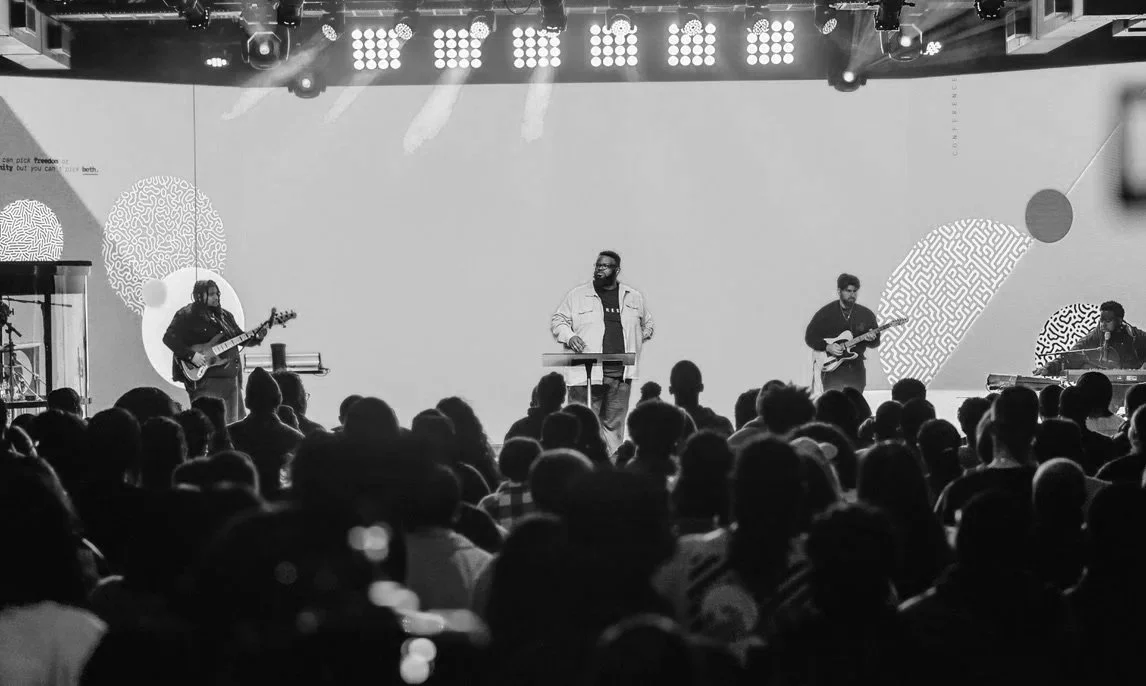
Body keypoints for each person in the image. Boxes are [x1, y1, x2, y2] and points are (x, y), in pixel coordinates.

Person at [550, 251, 654, 453]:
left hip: (620, 376)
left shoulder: (633, 297)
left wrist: (636, 340)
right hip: (586, 375)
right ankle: (582, 464)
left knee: (614, 428)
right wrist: (570, 337)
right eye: (598, 265)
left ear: (617, 270)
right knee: (581, 427)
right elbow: (558, 320)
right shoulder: (578, 295)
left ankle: (611, 466)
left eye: (605, 266)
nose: (599, 269)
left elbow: (647, 324)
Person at [162, 280, 266, 423]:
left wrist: (257, 337)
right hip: (206, 382)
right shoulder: (186, 314)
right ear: (199, 296)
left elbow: (239, 338)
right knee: (211, 426)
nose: (216, 297)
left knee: (234, 427)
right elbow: (169, 338)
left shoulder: (225, 316)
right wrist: (191, 356)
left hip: (232, 380)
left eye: (217, 294)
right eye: (211, 294)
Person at [804, 273, 881, 392]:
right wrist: (827, 347)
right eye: (848, 291)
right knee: (834, 402)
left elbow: (875, 343)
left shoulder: (866, 314)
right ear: (839, 291)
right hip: (832, 370)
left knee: (855, 402)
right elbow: (810, 337)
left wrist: (872, 339)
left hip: (856, 369)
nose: (852, 295)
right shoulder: (826, 313)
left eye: (855, 291)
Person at [1035, 300, 1146, 376]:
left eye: (1107, 321)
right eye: (1101, 320)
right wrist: (1048, 368)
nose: (1103, 325)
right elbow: (1071, 356)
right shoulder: (1096, 335)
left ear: (1119, 321)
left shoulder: (1135, 336)